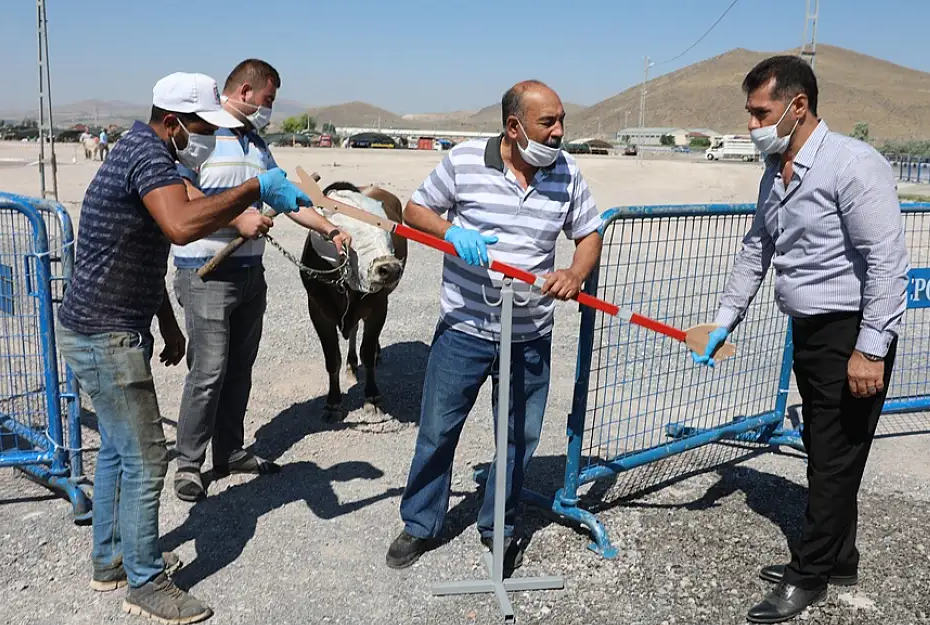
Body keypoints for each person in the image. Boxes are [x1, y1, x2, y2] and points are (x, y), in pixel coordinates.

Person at [55, 71, 312, 624]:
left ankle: (112, 560)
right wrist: (252, 189)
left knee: (120, 453)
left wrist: (168, 325)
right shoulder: (148, 157)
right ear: (173, 123)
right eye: (201, 128)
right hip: (104, 333)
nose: (208, 139)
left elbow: (137, 253)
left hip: (102, 322)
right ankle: (147, 582)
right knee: (148, 456)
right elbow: (178, 228)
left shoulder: (148, 152)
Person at [691, 56, 910, 624]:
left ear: (798, 106)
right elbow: (756, 247)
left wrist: (871, 348)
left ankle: (807, 574)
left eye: (760, 112)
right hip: (810, 332)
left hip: (851, 331)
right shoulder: (777, 168)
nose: (751, 123)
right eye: (749, 112)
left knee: (835, 459)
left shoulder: (854, 165)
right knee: (827, 449)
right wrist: (724, 319)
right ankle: (839, 557)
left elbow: (886, 262)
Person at [386, 80, 603, 570]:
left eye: (561, 120)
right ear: (514, 126)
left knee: (518, 437)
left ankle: (498, 524)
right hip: (464, 328)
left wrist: (574, 272)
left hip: (529, 334)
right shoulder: (463, 161)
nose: (559, 132)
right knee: (439, 430)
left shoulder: (566, 171)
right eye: (548, 123)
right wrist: (452, 231)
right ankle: (420, 522)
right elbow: (416, 210)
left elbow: (588, 233)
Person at [169, 58, 352, 502]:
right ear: (247, 92)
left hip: (251, 272)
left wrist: (328, 227)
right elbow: (182, 196)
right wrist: (237, 222)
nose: (270, 107)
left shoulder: (256, 144)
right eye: (268, 99)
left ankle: (230, 451)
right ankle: (188, 463)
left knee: (239, 368)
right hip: (206, 271)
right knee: (209, 370)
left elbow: (283, 197)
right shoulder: (199, 134)